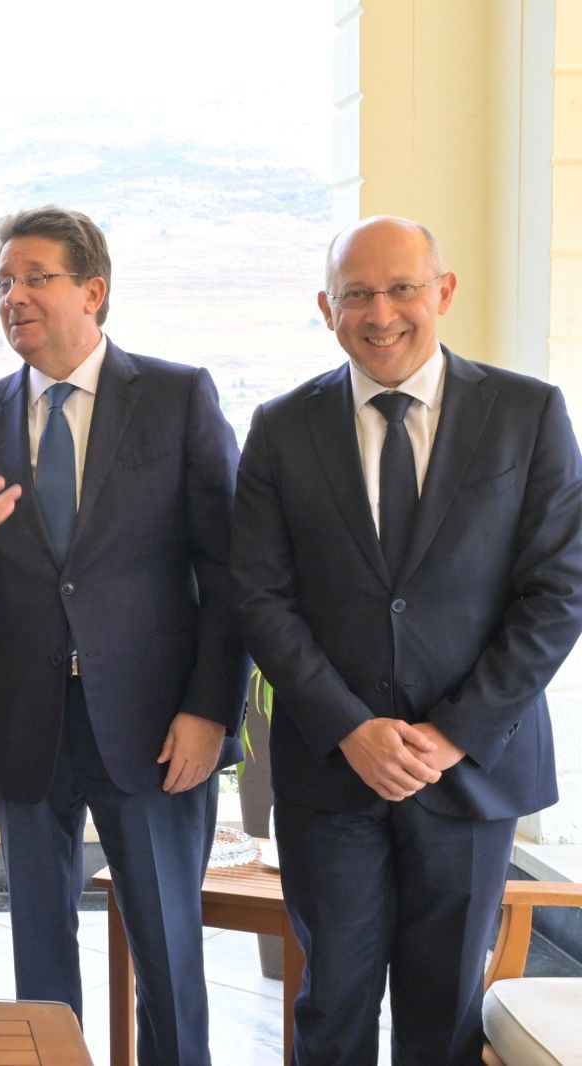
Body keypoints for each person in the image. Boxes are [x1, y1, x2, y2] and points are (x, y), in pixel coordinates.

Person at [232, 215, 582, 1065]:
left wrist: (456, 732)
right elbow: (260, 597)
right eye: (357, 294)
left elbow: (558, 590)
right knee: (333, 1003)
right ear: (327, 308)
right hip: (333, 772)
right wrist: (351, 728)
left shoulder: (528, 413)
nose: (380, 313)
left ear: (443, 292)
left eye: (401, 289)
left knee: (443, 1011)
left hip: (471, 770)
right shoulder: (281, 426)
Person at [0, 205, 246, 1066]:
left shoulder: (177, 398)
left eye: (36, 278)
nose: (13, 297)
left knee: (167, 951)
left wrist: (211, 710)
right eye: (3, 283)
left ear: (93, 291)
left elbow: (229, 572)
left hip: (157, 728)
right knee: (38, 954)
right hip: (27, 723)